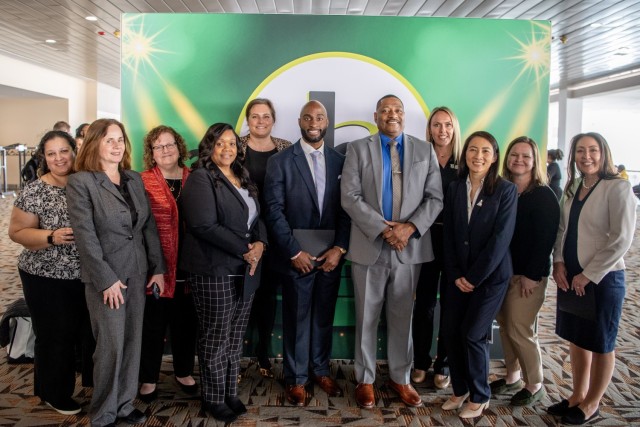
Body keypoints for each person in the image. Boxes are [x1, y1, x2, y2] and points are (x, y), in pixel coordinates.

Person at [341, 94, 443, 409]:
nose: (391, 114)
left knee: (402, 318)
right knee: (366, 317)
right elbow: (349, 196)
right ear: (376, 116)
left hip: (408, 249)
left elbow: (435, 199)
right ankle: (366, 380)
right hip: (369, 245)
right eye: (385, 110)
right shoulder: (357, 149)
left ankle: (401, 378)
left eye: (397, 109)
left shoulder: (426, 151)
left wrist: (408, 228)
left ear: (404, 115)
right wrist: (385, 230)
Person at [66, 118, 166, 427]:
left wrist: (158, 268)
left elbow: (147, 225)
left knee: (133, 340)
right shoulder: (81, 182)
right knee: (110, 345)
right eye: (109, 139)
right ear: (94, 142)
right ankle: (104, 411)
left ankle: (124, 404)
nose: (116, 145)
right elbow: (85, 237)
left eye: (120, 139)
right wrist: (106, 279)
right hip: (105, 278)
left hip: (137, 272)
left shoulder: (133, 178)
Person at [263, 100, 350, 406]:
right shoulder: (281, 161)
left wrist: (339, 249)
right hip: (295, 257)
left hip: (330, 257)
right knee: (297, 318)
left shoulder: (341, 161)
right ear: (299, 120)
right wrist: (293, 252)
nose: (314, 122)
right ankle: (296, 378)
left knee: (323, 316)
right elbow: (273, 212)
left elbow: (346, 211)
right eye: (308, 117)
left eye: (320, 117)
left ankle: (320, 369)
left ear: (327, 122)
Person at [180, 123, 266, 424]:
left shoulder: (243, 177)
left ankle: (230, 392)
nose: (227, 149)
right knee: (215, 337)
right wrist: (246, 248)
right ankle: (213, 399)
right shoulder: (201, 178)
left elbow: (257, 218)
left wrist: (261, 244)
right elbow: (204, 225)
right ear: (209, 147)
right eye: (220, 143)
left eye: (232, 143)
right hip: (213, 269)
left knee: (234, 337)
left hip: (246, 271)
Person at [548, 132, 636, 425]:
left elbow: (621, 239)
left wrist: (589, 274)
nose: (587, 156)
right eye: (581, 151)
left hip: (603, 278)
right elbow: (562, 228)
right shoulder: (574, 186)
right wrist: (558, 262)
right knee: (577, 337)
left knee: (601, 342)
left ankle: (592, 403)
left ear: (604, 153)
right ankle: (577, 395)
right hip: (571, 276)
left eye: (593, 150)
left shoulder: (618, 187)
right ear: (573, 155)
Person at [8, 130, 90, 415]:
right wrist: (51, 236)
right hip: (44, 275)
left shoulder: (86, 182)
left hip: (82, 275)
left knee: (74, 334)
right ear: (44, 157)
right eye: (51, 153)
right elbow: (17, 232)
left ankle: (46, 387)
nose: (59, 158)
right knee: (55, 334)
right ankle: (55, 394)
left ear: (74, 151)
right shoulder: (35, 190)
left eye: (64, 151)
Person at [440, 130, 517, 419]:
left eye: (486, 151)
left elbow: (501, 239)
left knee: (473, 335)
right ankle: (459, 390)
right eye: (473, 149)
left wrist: (473, 277)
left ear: (494, 157)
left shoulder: (505, 190)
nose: (478, 156)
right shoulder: (456, 188)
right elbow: (449, 234)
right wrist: (457, 274)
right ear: (465, 154)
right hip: (457, 276)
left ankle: (480, 394)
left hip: (489, 278)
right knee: (450, 332)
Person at [490, 136, 560, 406]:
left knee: (520, 328)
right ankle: (512, 378)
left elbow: (546, 240)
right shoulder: (502, 190)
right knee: (506, 328)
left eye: (526, 156)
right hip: (503, 273)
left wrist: (532, 275)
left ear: (535, 162)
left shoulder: (543, 195)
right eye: (514, 155)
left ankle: (535, 384)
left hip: (528, 277)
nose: (519, 160)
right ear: (507, 159)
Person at [138, 125, 198, 402]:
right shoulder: (141, 181)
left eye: (170, 144)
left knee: (186, 322)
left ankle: (184, 371)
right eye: (159, 146)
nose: (165, 150)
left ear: (179, 147)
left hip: (190, 263)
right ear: (151, 152)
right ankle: (148, 377)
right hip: (156, 266)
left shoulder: (194, 177)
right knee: (153, 323)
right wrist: (154, 266)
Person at [239, 98, 291, 379]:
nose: (260, 121)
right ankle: (234, 356)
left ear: (273, 119)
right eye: (255, 116)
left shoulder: (286, 148)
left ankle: (263, 354)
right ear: (248, 119)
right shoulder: (234, 147)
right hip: (241, 235)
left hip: (275, 233)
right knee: (241, 296)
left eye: (266, 116)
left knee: (268, 296)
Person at [411, 106, 461, 389]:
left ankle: (444, 362)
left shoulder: (465, 161)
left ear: (454, 128)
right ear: (429, 129)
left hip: (455, 244)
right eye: (436, 125)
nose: (442, 131)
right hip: (425, 239)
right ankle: (420, 361)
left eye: (447, 125)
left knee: (452, 306)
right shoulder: (420, 156)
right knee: (425, 305)